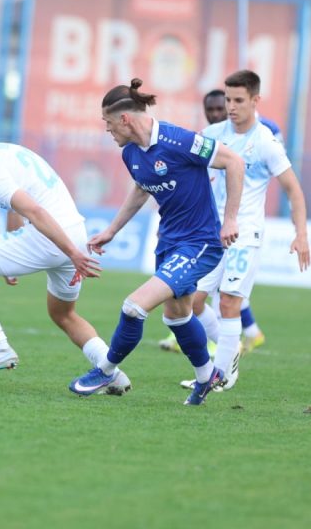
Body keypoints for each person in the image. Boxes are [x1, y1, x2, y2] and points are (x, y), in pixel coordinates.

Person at [70, 78, 245, 405]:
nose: (107, 130)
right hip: (168, 242)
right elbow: (141, 188)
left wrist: (231, 219)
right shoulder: (130, 153)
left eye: (108, 123)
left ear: (125, 119)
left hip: (200, 243)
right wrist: (112, 230)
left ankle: (106, 370)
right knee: (176, 316)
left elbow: (234, 162)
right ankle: (207, 376)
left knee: (133, 307)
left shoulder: (179, 140)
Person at [0, 133, 119, 387]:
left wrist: (73, 254)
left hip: (52, 237)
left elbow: (35, 211)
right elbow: (16, 207)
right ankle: (113, 374)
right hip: (74, 231)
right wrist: (68, 250)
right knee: (63, 314)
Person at [176, 70, 310, 392]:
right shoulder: (212, 134)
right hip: (211, 233)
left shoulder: (265, 142)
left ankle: (220, 375)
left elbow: (293, 190)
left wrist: (301, 234)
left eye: (238, 100)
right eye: (228, 99)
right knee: (191, 302)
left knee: (228, 303)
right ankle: (230, 346)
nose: (231, 107)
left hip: (245, 234)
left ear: (255, 100)